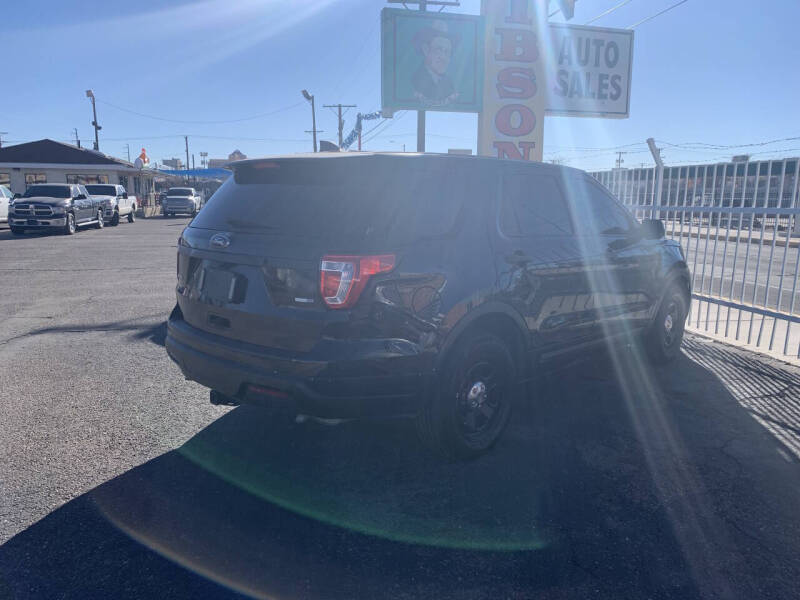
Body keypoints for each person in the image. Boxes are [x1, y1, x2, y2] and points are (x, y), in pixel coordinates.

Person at [411, 20, 461, 106]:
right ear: (426, 50)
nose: (443, 57)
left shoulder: (449, 84)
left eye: (447, 52)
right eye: (439, 49)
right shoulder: (415, 79)